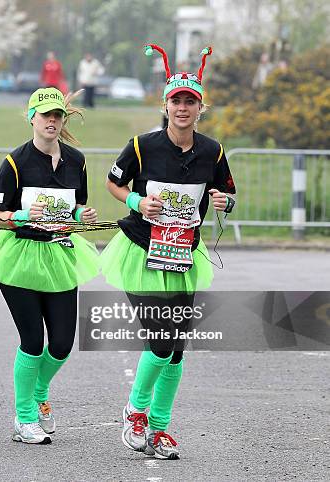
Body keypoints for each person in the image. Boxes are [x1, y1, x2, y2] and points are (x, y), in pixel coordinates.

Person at [100, 45, 236, 459]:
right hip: (142, 251)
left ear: (200, 108)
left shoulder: (212, 151)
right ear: (165, 105)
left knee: (176, 350)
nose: (182, 107)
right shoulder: (142, 146)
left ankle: (158, 430)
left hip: (183, 257)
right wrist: (137, 203)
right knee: (161, 341)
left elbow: (228, 192)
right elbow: (113, 183)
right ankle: (135, 411)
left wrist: (223, 202)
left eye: (190, 101)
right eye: (176, 100)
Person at [0, 87, 99, 444]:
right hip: (20, 255)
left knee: (61, 344)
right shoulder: (14, 162)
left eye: (57, 115)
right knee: (32, 341)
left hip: (60, 255)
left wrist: (81, 215)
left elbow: (74, 207)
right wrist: (23, 215)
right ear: (32, 117)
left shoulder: (77, 160)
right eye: (45, 115)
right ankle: (24, 417)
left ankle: (39, 391)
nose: (52, 122)